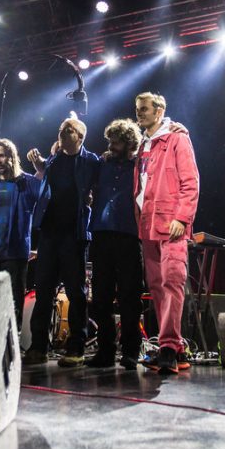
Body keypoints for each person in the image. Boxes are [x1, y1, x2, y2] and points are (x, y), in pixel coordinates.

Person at [25, 117, 101, 367]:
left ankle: (76, 347)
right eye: (61, 129)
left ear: (80, 136)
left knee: (76, 292)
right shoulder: (54, 159)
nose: (62, 132)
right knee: (43, 290)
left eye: (69, 129)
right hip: (49, 233)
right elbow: (44, 177)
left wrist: (91, 202)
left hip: (74, 235)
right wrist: (39, 164)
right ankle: (38, 346)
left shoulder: (90, 161)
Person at [134, 91, 199, 375]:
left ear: (159, 111)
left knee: (172, 282)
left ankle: (169, 348)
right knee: (157, 287)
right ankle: (173, 347)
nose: (139, 113)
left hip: (171, 224)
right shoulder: (143, 144)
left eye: (144, 109)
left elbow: (190, 181)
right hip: (147, 225)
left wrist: (182, 218)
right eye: (137, 109)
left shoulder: (177, 138)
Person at [86, 118, 145, 370]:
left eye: (116, 141)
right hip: (101, 233)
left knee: (130, 296)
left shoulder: (140, 165)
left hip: (129, 234)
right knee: (101, 296)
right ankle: (105, 351)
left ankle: (131, 351)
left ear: (129, 142)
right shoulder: (102, 163)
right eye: (110, 141)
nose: (111, 145)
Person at [0, 138, 42, 330]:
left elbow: (48, 195)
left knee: (13, 303)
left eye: (2, 156)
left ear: (12, 157)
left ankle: (12, 343)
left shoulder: (27, 182)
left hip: (15, 254)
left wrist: (40, 168)